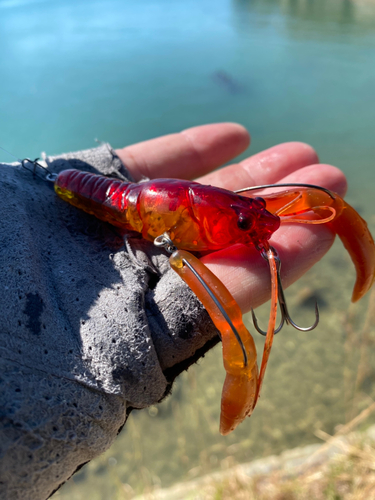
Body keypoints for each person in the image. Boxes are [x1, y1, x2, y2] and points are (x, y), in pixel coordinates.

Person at [0, 123, 346, 500]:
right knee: (235, 330)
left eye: (253, 213)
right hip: (77, 189)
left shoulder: (239, 208)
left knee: (313, 199)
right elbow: (232, 327)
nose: (267, 224)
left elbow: (305, 207)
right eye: (247, 221)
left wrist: (252, 218)